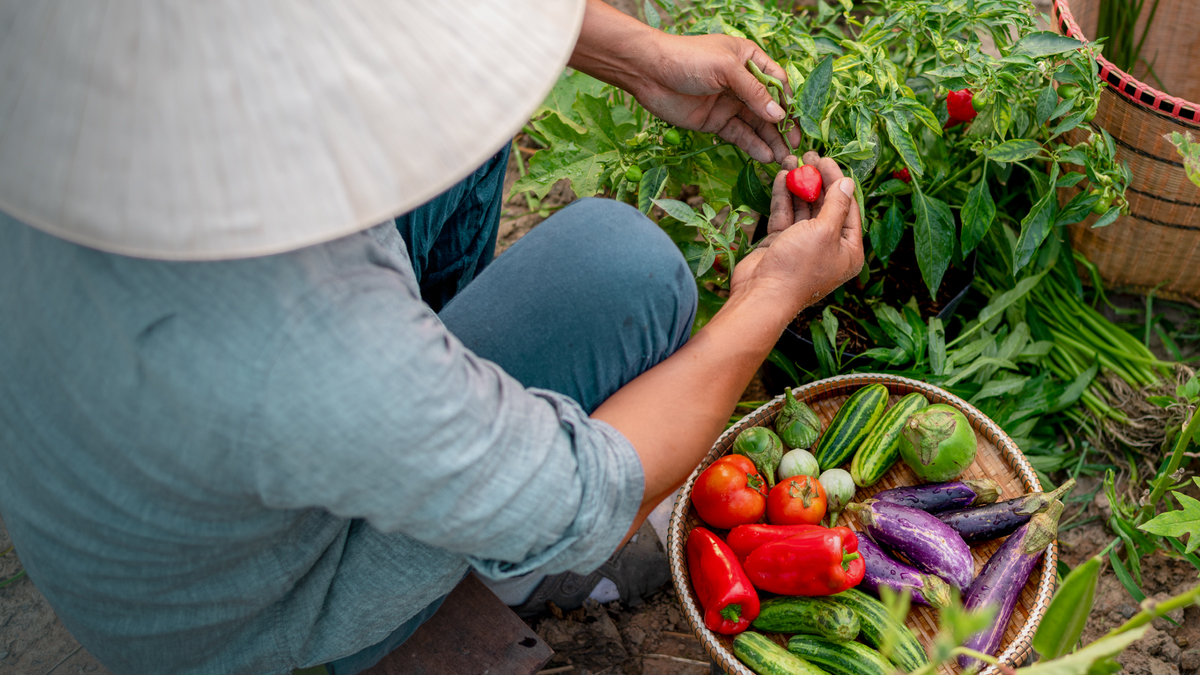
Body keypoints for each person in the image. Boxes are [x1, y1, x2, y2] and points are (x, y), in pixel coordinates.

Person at [0, 1, 863, 674]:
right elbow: (586, 495)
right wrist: (771, 292)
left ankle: (446, 458)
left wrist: (632, 55)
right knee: (627, 272)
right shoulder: (307, 334)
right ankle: (444, 574)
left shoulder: (78, 87)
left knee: (462, 128)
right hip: (243, 614)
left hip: (128, 492)